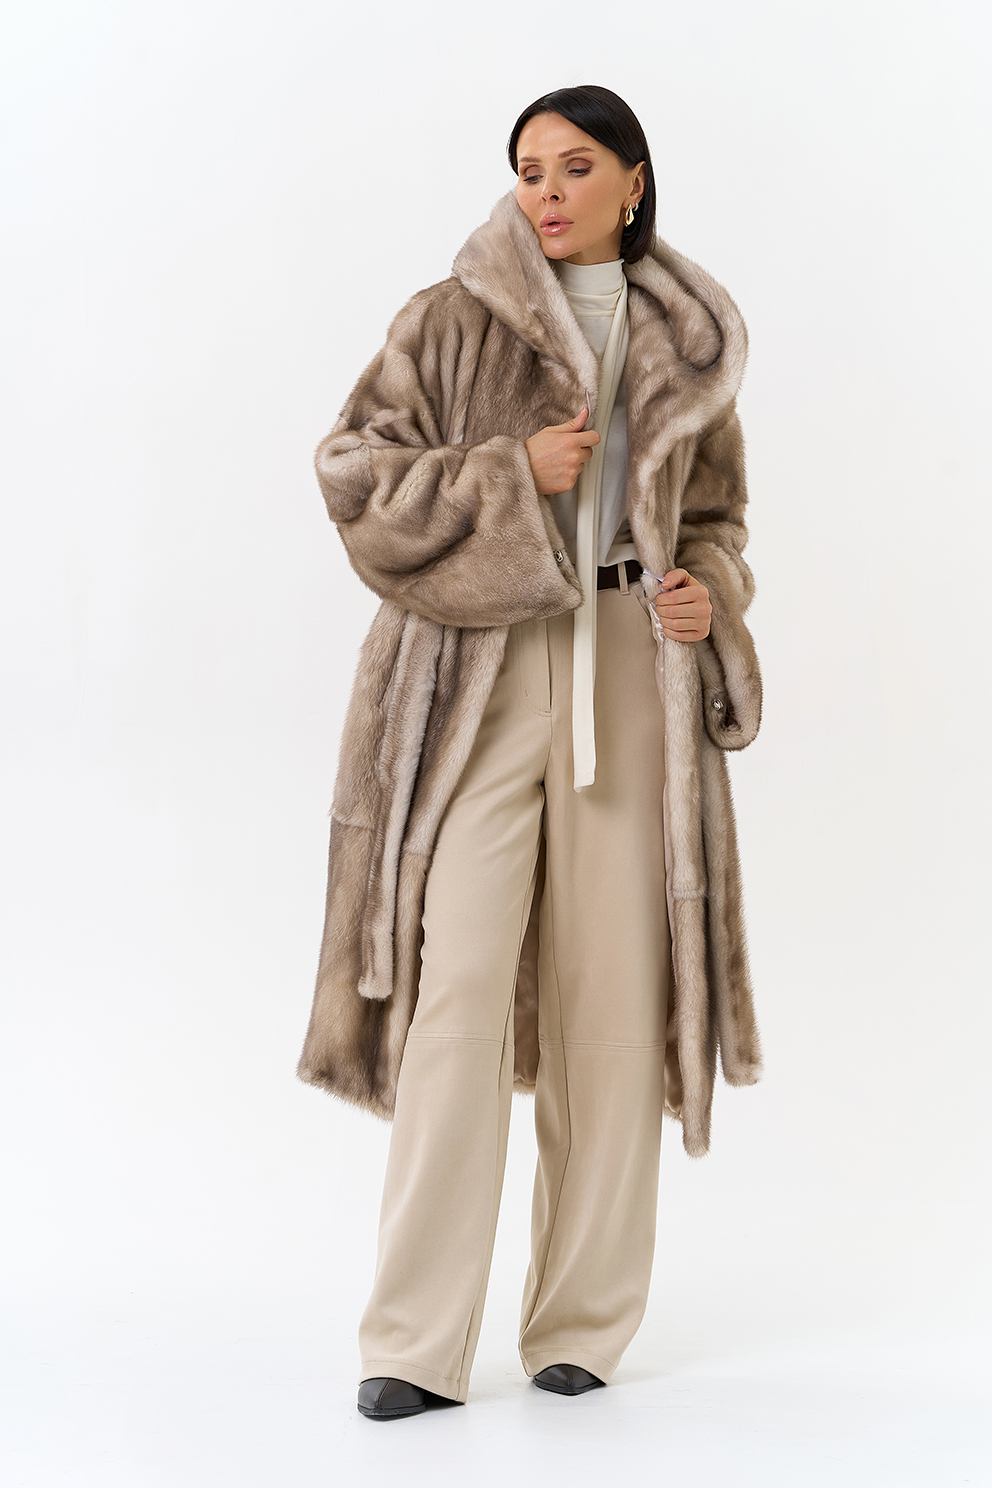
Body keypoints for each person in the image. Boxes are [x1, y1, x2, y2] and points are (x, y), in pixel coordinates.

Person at [297, 84, 763, 1421]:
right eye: (527, 170)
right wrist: (511, 475)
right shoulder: (451, 320)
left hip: (631, 662)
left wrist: (709, 596)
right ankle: (412, 1341)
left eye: (574, 167)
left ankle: (583, 1324)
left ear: (632, 180)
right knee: (456, 992)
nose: (546, 193)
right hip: (481, 671)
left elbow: (720, 520)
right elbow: (350, 475)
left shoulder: (689, 344)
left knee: (610, 999)